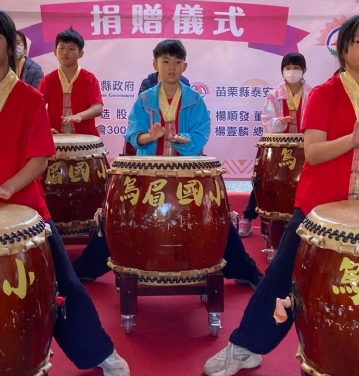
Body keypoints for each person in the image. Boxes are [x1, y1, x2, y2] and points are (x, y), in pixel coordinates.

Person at [203, 16, 359, 376]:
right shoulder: (324, 93)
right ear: (342, 50)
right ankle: (245, 347)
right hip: (320, 210)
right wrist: (353, 139)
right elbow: (314, 153)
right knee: (282, 279)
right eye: (358, 41)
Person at [0, 9, 130, 376]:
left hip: (24, 210)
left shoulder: (29, 97)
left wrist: (9, 186)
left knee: (63, 283)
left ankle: (98, 351)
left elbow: (40, 158)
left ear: (13, 46)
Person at [72, 39, 264, 288]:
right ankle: (87, 267)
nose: (171, 66)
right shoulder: (144, 99)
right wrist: (147, 137)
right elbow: (133, 133)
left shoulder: (195, 99)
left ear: (184, 66)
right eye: (165, 61)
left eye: (176, 62)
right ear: (155, 65)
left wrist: (185, 140)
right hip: (148, 175)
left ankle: (244, 269)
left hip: (189, 175)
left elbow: (202, 132)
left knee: (217, 218)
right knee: (118, 216)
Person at [240, 53, 308, 237]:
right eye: (288, 68)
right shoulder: (274, 94)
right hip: (278, 149)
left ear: (304, 71)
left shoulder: (312, 93)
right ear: (282, 72)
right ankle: (247, 217)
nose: (292, 72)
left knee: (300, 186)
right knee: (266, 182)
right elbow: (266, 121)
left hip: (305, 149)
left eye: (296, 68)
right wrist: (280, 122)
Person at [38, 28, 103, 136]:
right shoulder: (48, 80)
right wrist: (43, 129)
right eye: (61, 48)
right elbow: (36, 108)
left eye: (71, 49)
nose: (65, 52)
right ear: (55, 52)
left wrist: (80, 116)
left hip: (85, 138)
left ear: (80, 53)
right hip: (55, 136)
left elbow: (98, 108)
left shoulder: (89, 78)